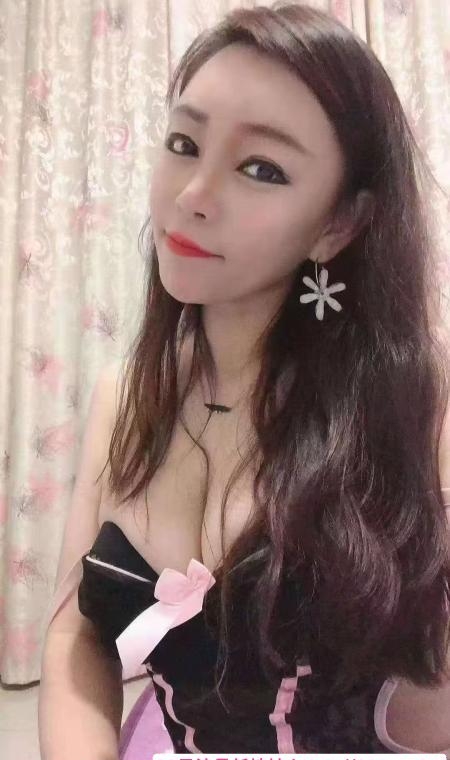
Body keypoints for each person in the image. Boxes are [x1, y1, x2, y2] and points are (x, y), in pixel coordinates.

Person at [38, 2, 450, 757]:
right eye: (184, 143)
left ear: (339, 224)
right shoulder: (125, 396)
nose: (193, 194)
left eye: (262, 168)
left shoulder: (421, 403)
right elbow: (77, 633)